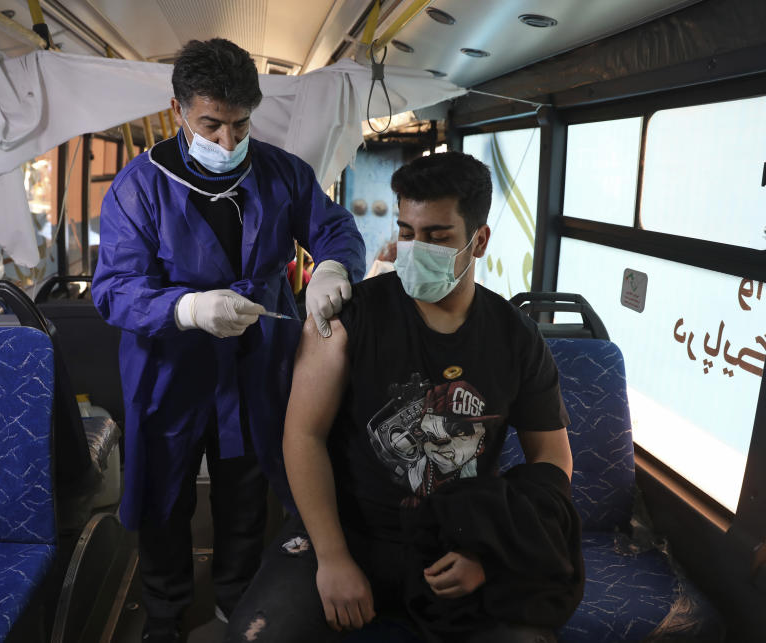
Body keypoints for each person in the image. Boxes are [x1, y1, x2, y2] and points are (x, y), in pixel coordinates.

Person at [226, 152, 584, 643]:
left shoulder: (516, 339)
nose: (415, 249)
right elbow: (303, 435)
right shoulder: (352, 319)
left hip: (456, 539)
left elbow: (551, 461)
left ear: (478, 241)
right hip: (348, 532)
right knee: (259, 635)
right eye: (408, 232)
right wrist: (331, 558)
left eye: (438, 237)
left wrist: (490, 551)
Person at [91, 38, 365, 642]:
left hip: (255, 364)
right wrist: (186, 308)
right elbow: (113, 290)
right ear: (179, 110)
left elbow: (335, 227)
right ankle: (164, 612)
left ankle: (235, 605)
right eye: (211, 124)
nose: (226, 142)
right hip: (170, 366)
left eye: (240, 125)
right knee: (165, 496)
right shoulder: (139, 187)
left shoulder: (281, 173)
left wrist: (332, 267)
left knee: (248, 490)